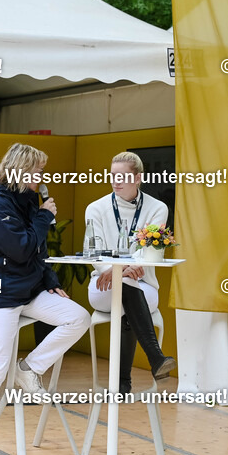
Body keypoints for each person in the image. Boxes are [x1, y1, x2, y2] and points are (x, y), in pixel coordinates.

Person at [0, 143, 90, 455]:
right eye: (38, 171)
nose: (42, 178)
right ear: (22, 170)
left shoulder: (28, 200)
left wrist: (51, 282)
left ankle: (29, 368)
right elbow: (19, 248)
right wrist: (45, 216)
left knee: (78, 317)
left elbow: (37, 251)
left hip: (29, 291)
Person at [85, 151, 175, 394]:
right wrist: (118, 271)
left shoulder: (158, 208)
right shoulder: (95, 208)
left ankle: (123, 383)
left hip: (143, 285)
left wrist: (123, 270)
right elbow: (95, 253)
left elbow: (150, 252)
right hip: (103, 286)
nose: (116, 181)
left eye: (123, 177)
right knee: (124, 288)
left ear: (138, 178)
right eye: (113, 176)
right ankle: (155, 358)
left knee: (128, 291)